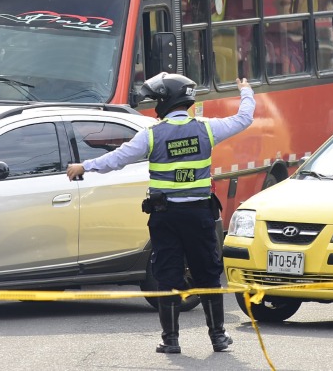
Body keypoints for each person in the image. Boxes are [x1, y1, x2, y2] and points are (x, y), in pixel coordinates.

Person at [66, 73, 255, 354]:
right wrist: (246, 91)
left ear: (166, 101)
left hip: (166, 217)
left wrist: (85, 166)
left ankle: (171, 340)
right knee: (207, 273)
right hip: (199, 216)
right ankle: (217, 336)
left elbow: (117, 159)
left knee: (168, 273)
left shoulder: (152, 134)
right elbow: (244, 119)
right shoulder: (207, 129)